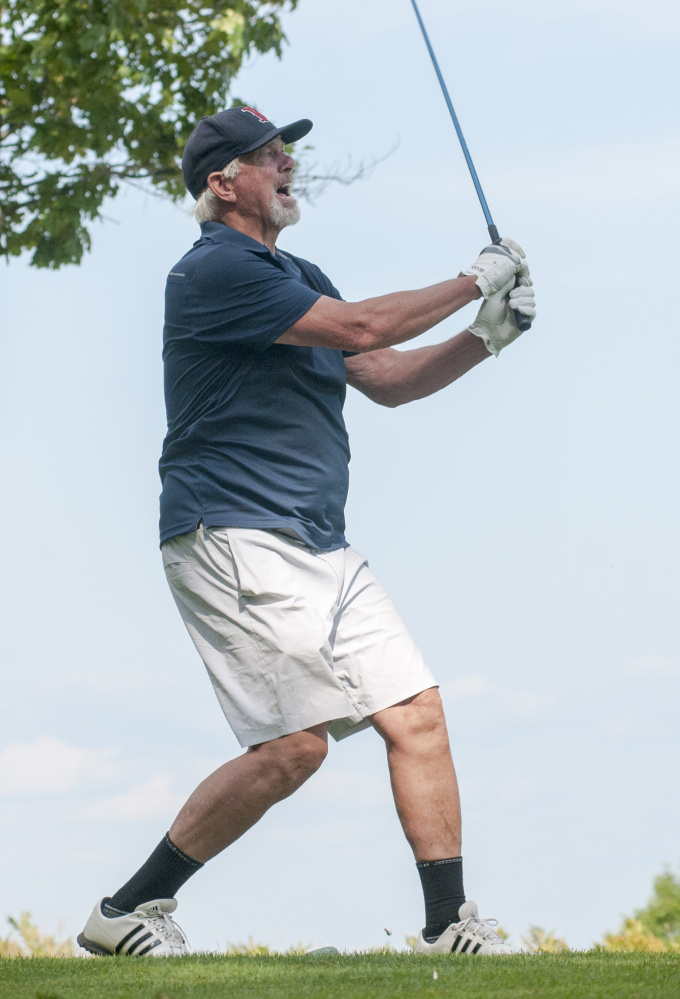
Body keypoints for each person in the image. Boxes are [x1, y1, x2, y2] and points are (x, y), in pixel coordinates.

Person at [78, 107, 536, 958]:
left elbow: (386, 376)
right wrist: (476, 279)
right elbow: (365, 327)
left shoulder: (299, 275)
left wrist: (484, 340)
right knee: (295, 747)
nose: (287, 161)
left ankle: (447, 927)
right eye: (266, 154)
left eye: (286, 149)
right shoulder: (214, 271)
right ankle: (127, 909)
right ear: (223, 183)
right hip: (231, 531)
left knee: (418, 711)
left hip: (320, 538)